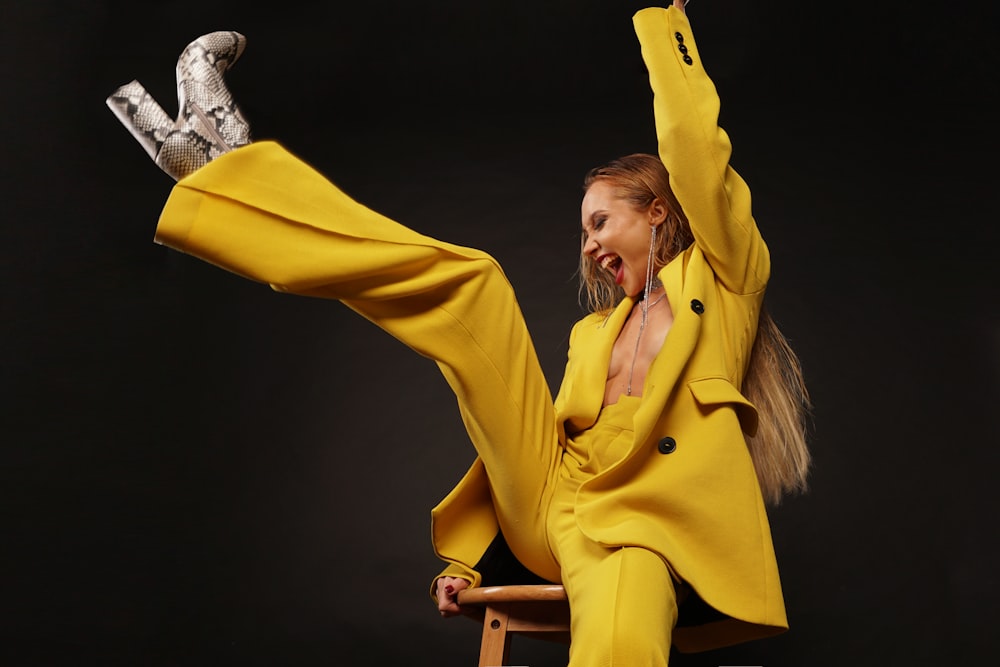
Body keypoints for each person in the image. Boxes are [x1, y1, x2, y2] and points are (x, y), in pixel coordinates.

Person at [105, 2, 811, 664]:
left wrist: (665, 24)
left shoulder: (724, 282)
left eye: (601, 222)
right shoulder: (592, 334)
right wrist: (474, 561)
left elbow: (693, 148)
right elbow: (521, 453)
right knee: (475, 285)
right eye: (583, 230)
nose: (590, 245)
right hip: (556, 502)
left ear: (658, 211)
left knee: (627, 592)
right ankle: (226, 168)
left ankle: (217, 169)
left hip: (646, 525)